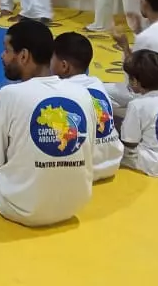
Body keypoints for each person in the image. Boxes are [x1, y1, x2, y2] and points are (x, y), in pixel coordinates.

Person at [0, 20, 94, 227]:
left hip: (19, 207)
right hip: (74, 205)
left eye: (7, 51)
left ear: (24, 56)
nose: (2, 56)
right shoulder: (82, 94)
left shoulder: (10, 94)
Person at [51, 32, 123, 181]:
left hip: (84, 171)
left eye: (51, 59)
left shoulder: (60, 91)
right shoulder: (96, 83)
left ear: (64, 66)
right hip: (114, 162)